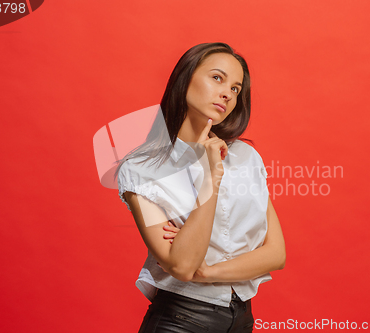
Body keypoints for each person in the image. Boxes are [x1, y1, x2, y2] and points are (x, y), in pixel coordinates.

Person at [115, 42, 286, 332]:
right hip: (181, 319)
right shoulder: (141, 169)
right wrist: (209, 178)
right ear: (186, 78)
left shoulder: (246, 158)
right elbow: (181, 266)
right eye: (217, 78)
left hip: (241, 319)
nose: (227, 94)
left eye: (235, 88)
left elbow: (276, 253)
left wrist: (207, 271)